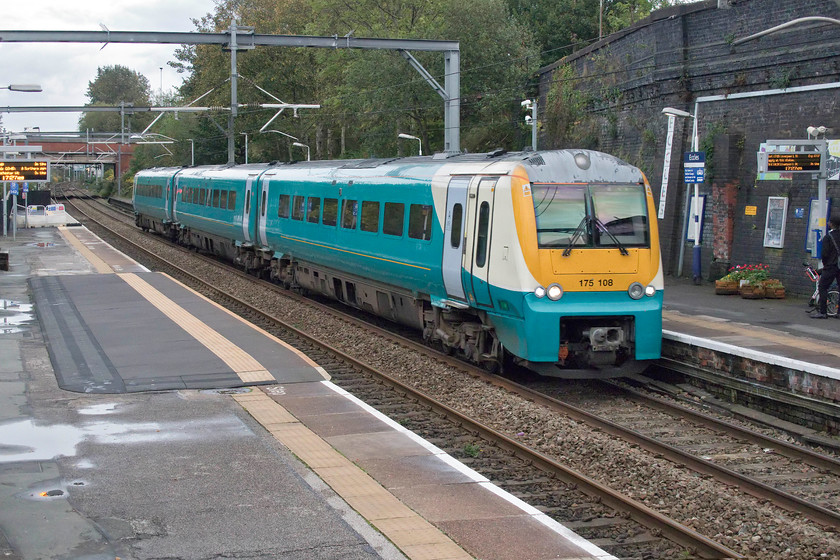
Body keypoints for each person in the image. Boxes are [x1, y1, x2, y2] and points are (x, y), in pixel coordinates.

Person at [813, 214, 840, 318]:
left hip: (831, 266)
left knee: (822, 287)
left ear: (831, 224)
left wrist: (825, 265)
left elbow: (824, 254)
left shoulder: (828, 237)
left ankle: (823, 312)